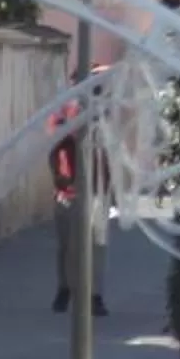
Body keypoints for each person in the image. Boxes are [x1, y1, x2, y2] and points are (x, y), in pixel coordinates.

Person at [47, 95, 109, 316]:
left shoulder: (102, 112)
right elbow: (53, 147)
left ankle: (94, 295)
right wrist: (58, 177)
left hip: (97, 189)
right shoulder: (63, 111)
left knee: (96, 244)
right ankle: (65, 288)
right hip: (69, 191)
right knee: (67, 245)